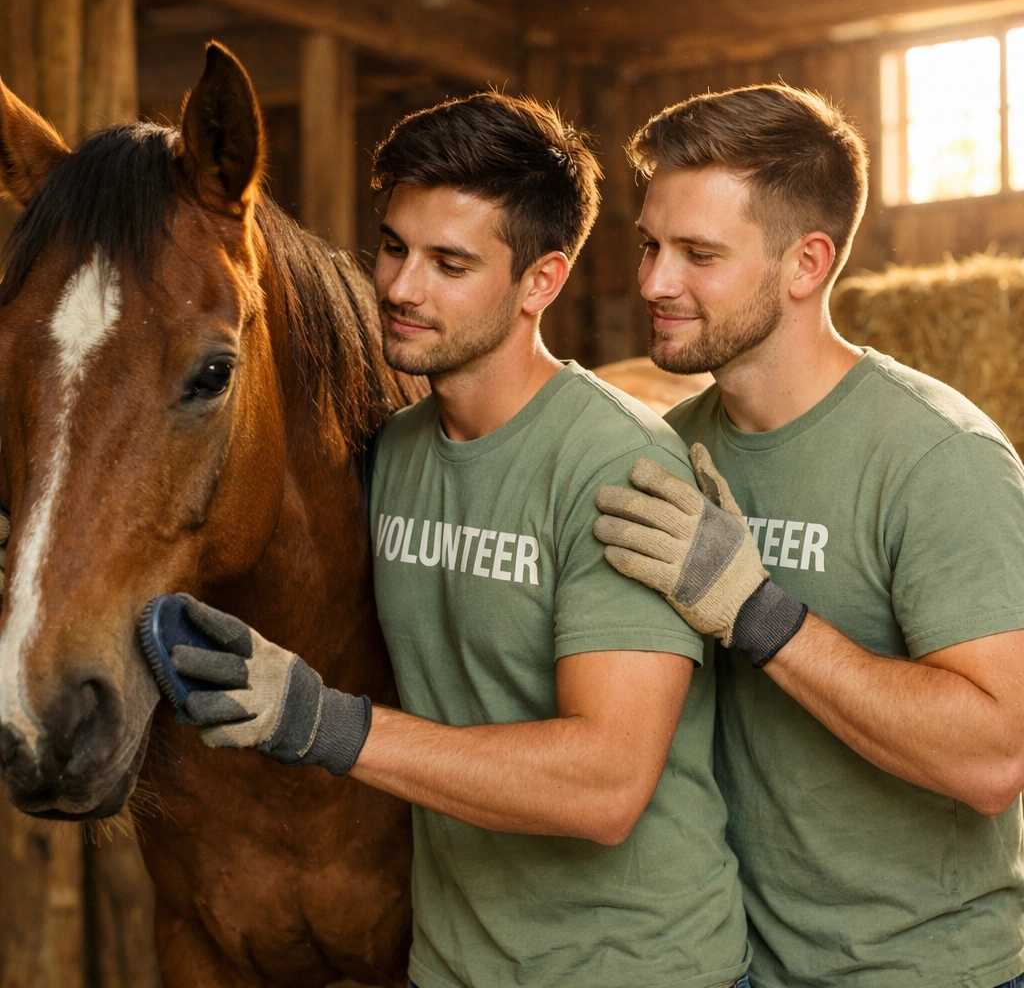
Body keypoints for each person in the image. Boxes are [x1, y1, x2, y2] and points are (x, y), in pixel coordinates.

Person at [144, 93, 751, 988]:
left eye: (449, 263)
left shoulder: (614, 466)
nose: (397, 286)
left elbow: (605, 785)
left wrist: (322, 723)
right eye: (393, 246)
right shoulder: (390, 453)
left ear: (539, 282)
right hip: (453, 968)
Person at [593, 83, 1024, 988]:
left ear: (806, 263)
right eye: (650, 245)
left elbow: (995, 758)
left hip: (922, 972)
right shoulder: (670, 449)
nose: (652, 283)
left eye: (698, 254)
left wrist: (757, 612)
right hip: (736, 962)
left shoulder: (939, 458)